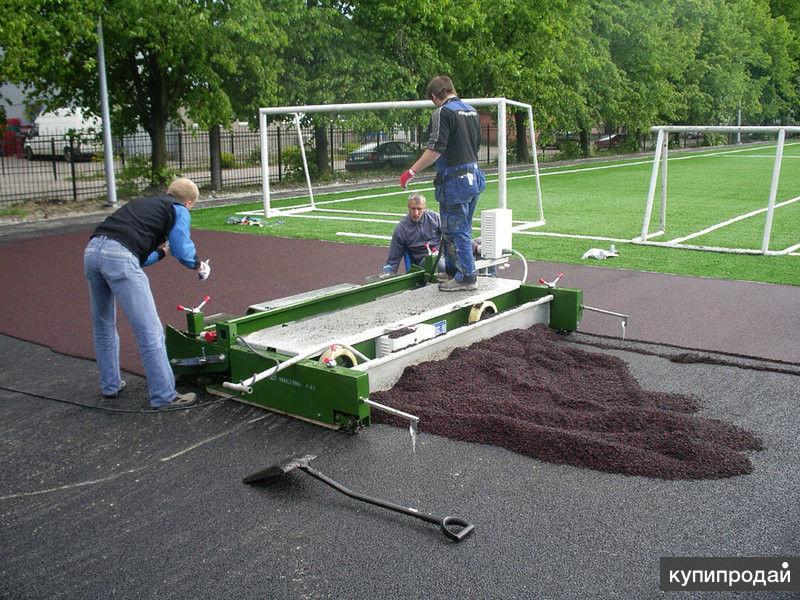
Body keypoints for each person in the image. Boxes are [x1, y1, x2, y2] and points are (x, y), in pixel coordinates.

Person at [83, 177, 210, 409]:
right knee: (150, 331)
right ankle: (164, 396)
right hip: (119, 256)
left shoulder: (143, 204)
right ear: (189, 202)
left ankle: (110, 385)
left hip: (92, 252)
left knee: (103, 324)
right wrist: (199, 265)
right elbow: (182, 249)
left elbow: (136, 256)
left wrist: (161, 252)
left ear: (169, 191)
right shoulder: (179, 209)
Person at [399, 75, 486, 292]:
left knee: (457, 231)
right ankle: (452, 271)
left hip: (454, 182)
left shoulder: (443, 112)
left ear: (434, 96)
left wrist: (411, 172)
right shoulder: (472, 111)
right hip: (474, 177)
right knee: (454, 229)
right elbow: (476, 146)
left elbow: (435, 149)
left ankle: (467, 277)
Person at [382, 192, 442, 274]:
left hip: (441, 255)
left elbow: (450, 236)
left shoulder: (435, 218)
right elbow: (393, 260)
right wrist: (386, 275)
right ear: (408, 207)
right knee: (437, 263)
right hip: (422, 262)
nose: (416, 213)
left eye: (419, 209)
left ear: (424, 208)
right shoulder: (401, 228)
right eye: (413, 208)